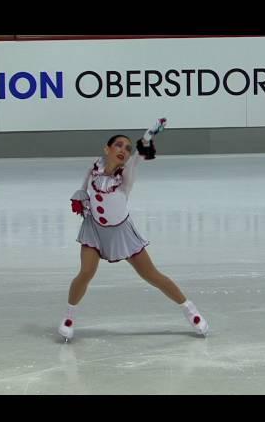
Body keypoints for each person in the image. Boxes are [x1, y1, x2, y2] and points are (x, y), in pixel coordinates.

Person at [58, 118, 210, 342]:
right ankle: (69, 317)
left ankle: (190, 310)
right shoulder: (94, 167)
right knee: (86, 272)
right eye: (118, 145)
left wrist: (149, 135)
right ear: (107, 149)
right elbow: (85, 184)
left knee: (152, 275)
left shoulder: (126, 174)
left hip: (121, 232)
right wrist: (80, 194)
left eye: (127, 148)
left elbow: (139, 154)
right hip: (94, 229)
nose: (124, 150)